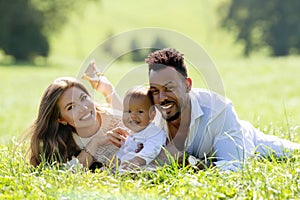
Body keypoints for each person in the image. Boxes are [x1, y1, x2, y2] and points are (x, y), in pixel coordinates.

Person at [144, 47, 300, 171]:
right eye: (155, 90)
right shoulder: (146, 114)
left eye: (169, 88)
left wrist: (191, 164)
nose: (161, 98)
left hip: (246, 140)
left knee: (294, 153)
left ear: (187, 85)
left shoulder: (219, 110)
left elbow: (234, 166)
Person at [29, 61, 126, 170]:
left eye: (83, 98)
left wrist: (107, 88)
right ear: (61, 119)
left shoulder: (114, 119)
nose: (84, 108)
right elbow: (67, 174)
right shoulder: (65, 142)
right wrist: (95, 142)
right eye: (71, 107)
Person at [116, 86, 166, 170]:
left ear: (152, 115)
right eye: (128, 111)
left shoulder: (153, 132)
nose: (132, 116)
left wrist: (137, 161)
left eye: (140, 112)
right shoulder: (131, 134)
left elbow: (152, 147)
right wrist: (116, 162)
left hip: (147, 166)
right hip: (128, 167)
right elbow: (123, 152)